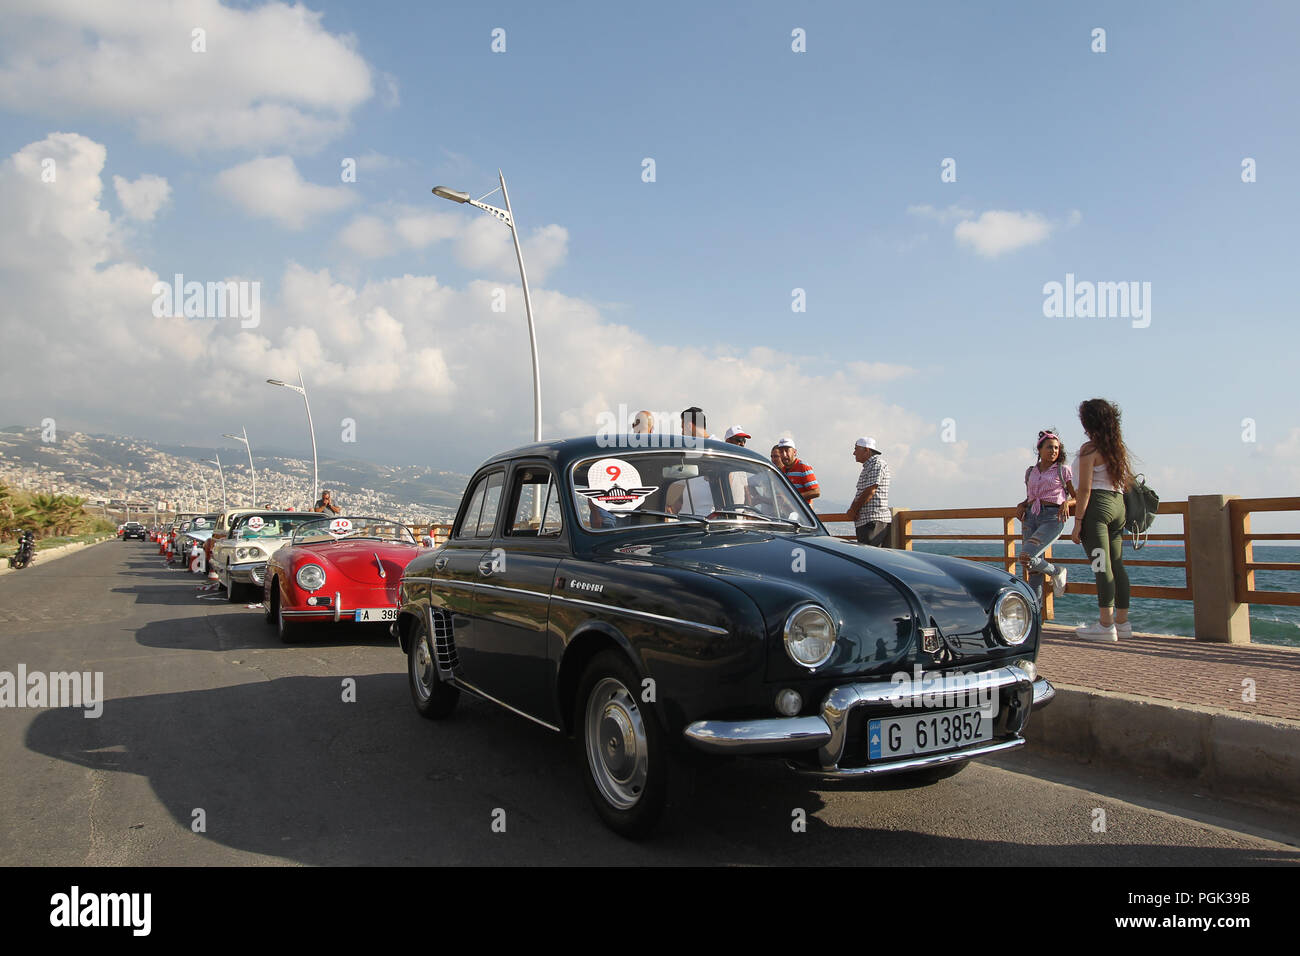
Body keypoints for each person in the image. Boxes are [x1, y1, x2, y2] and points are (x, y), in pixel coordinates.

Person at [1069, 399, 1134, 641]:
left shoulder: (1090, 449)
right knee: (1116, 565)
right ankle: (1122, 623)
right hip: (1118, 506)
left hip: (1097, 507)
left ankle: (1105, 626)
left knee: (1100, 564)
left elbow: (1084, 490)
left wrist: (1077, 523)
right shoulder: (1117, 448)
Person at [1015, 429, 1075, 606]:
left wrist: (1067, 503)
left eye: (1057, 448)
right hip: (1031, 516)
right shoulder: (1030, 472)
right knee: (1032, 570)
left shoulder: (1063, 471)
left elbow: (1077, 496)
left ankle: (1056, 571)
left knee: (1026, 557)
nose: (1054, 451)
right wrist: (1021, 504)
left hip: (1052, 517)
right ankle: (1035, 617)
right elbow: (1031, 496)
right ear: (1039, 449)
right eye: (1050, 447)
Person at [846, 437, 891, 546]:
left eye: (856, 449)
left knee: (871, 555)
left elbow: (870, 491)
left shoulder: (877, 464)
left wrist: (853, 510)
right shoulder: (869, 466)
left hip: (873, 519)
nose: (854, 453)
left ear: (866, 450)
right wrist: (854, 510)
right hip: (867, 520)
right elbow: (862, 491)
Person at [774, 438, 819, 504]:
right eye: (781, 452)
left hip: (801, 513)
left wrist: (792, 498)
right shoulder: (782, 471)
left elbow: (816, 492)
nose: (784, 455)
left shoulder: (803, 467)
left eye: (787, 451)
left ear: (794, 452)